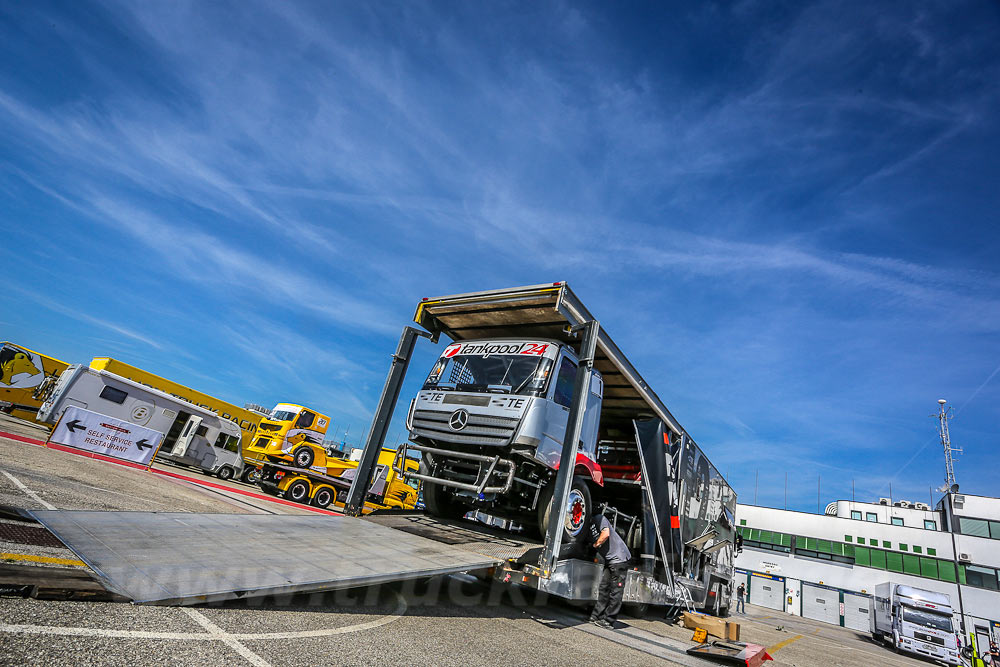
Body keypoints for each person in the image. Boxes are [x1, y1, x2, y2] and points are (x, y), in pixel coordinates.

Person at [587, 511, 632, 629]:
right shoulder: (586, 527)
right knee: (604, 588)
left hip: (620, 559)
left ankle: (609, 621)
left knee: (616, 591)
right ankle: (596, 616)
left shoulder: (599, 518)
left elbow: (605, 534)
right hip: (610, 560)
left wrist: (595, 545)